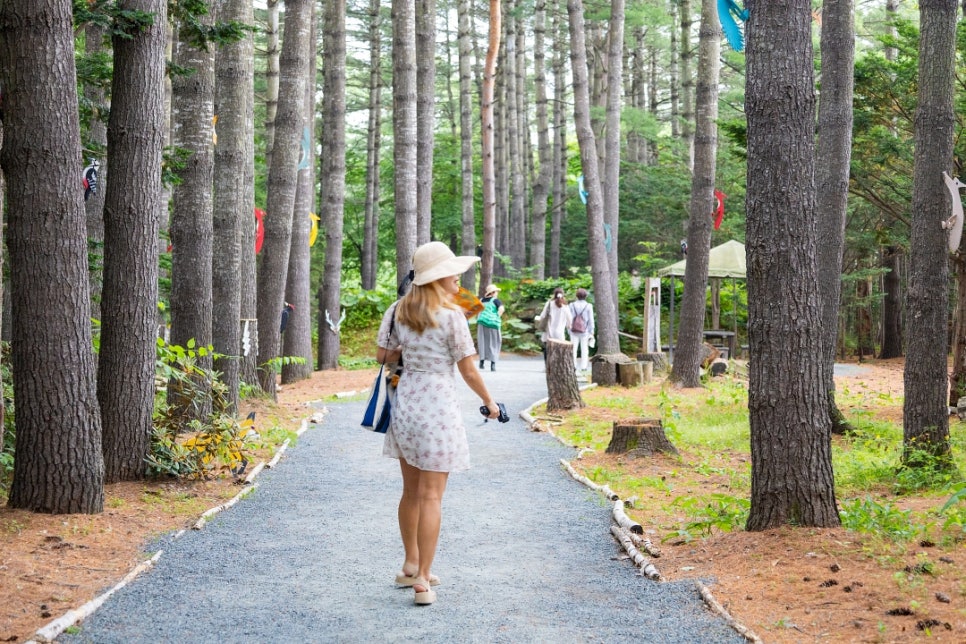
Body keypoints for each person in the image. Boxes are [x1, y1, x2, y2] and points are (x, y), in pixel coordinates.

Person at [376, 241, 502, 607]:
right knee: (432, 496)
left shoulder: (398, 311)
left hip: (406, 404)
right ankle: (423, 582)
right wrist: (489, 402)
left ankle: (410, 564)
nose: (457, 277)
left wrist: (407, 350)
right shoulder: (451, 316)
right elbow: (467, 369)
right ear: (440, 277)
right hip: (438, 408)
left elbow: (384, 356)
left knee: (411, 492)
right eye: (453, 272)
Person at [535, 287, 572, 361]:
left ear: (554, 294)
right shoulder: (565, 306)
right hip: (560, 333)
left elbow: (543, 316)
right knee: (559, 351)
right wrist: (569, 326)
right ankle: (557, 366)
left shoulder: (549, 304)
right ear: (563, 295)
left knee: (547, 350)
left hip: (549, 332)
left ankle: (547, 366)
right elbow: (570, 319)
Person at [476, 284, 504, 371]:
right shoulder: (496, 301)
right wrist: (497, 317)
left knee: (482, 341)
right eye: (496, 292)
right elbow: (501, 309)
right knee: (495, 342)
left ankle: (481, 362)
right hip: (493, 324)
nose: (497, 293)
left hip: (482, 323)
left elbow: (477, 310)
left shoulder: (481, 300)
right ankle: (493, 364)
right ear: (492, 293)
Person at [568, 288, 596, 372]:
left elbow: (569, 318)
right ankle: (584, 367)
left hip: (573, 331)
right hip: (585, 331)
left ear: (576, 296)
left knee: (573, 349)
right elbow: (591, 320)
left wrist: (569, 330)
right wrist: (592, 331)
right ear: (585, 296)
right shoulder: (589, 306)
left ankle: (573, 365)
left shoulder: (572, 305)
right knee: (585, 349)